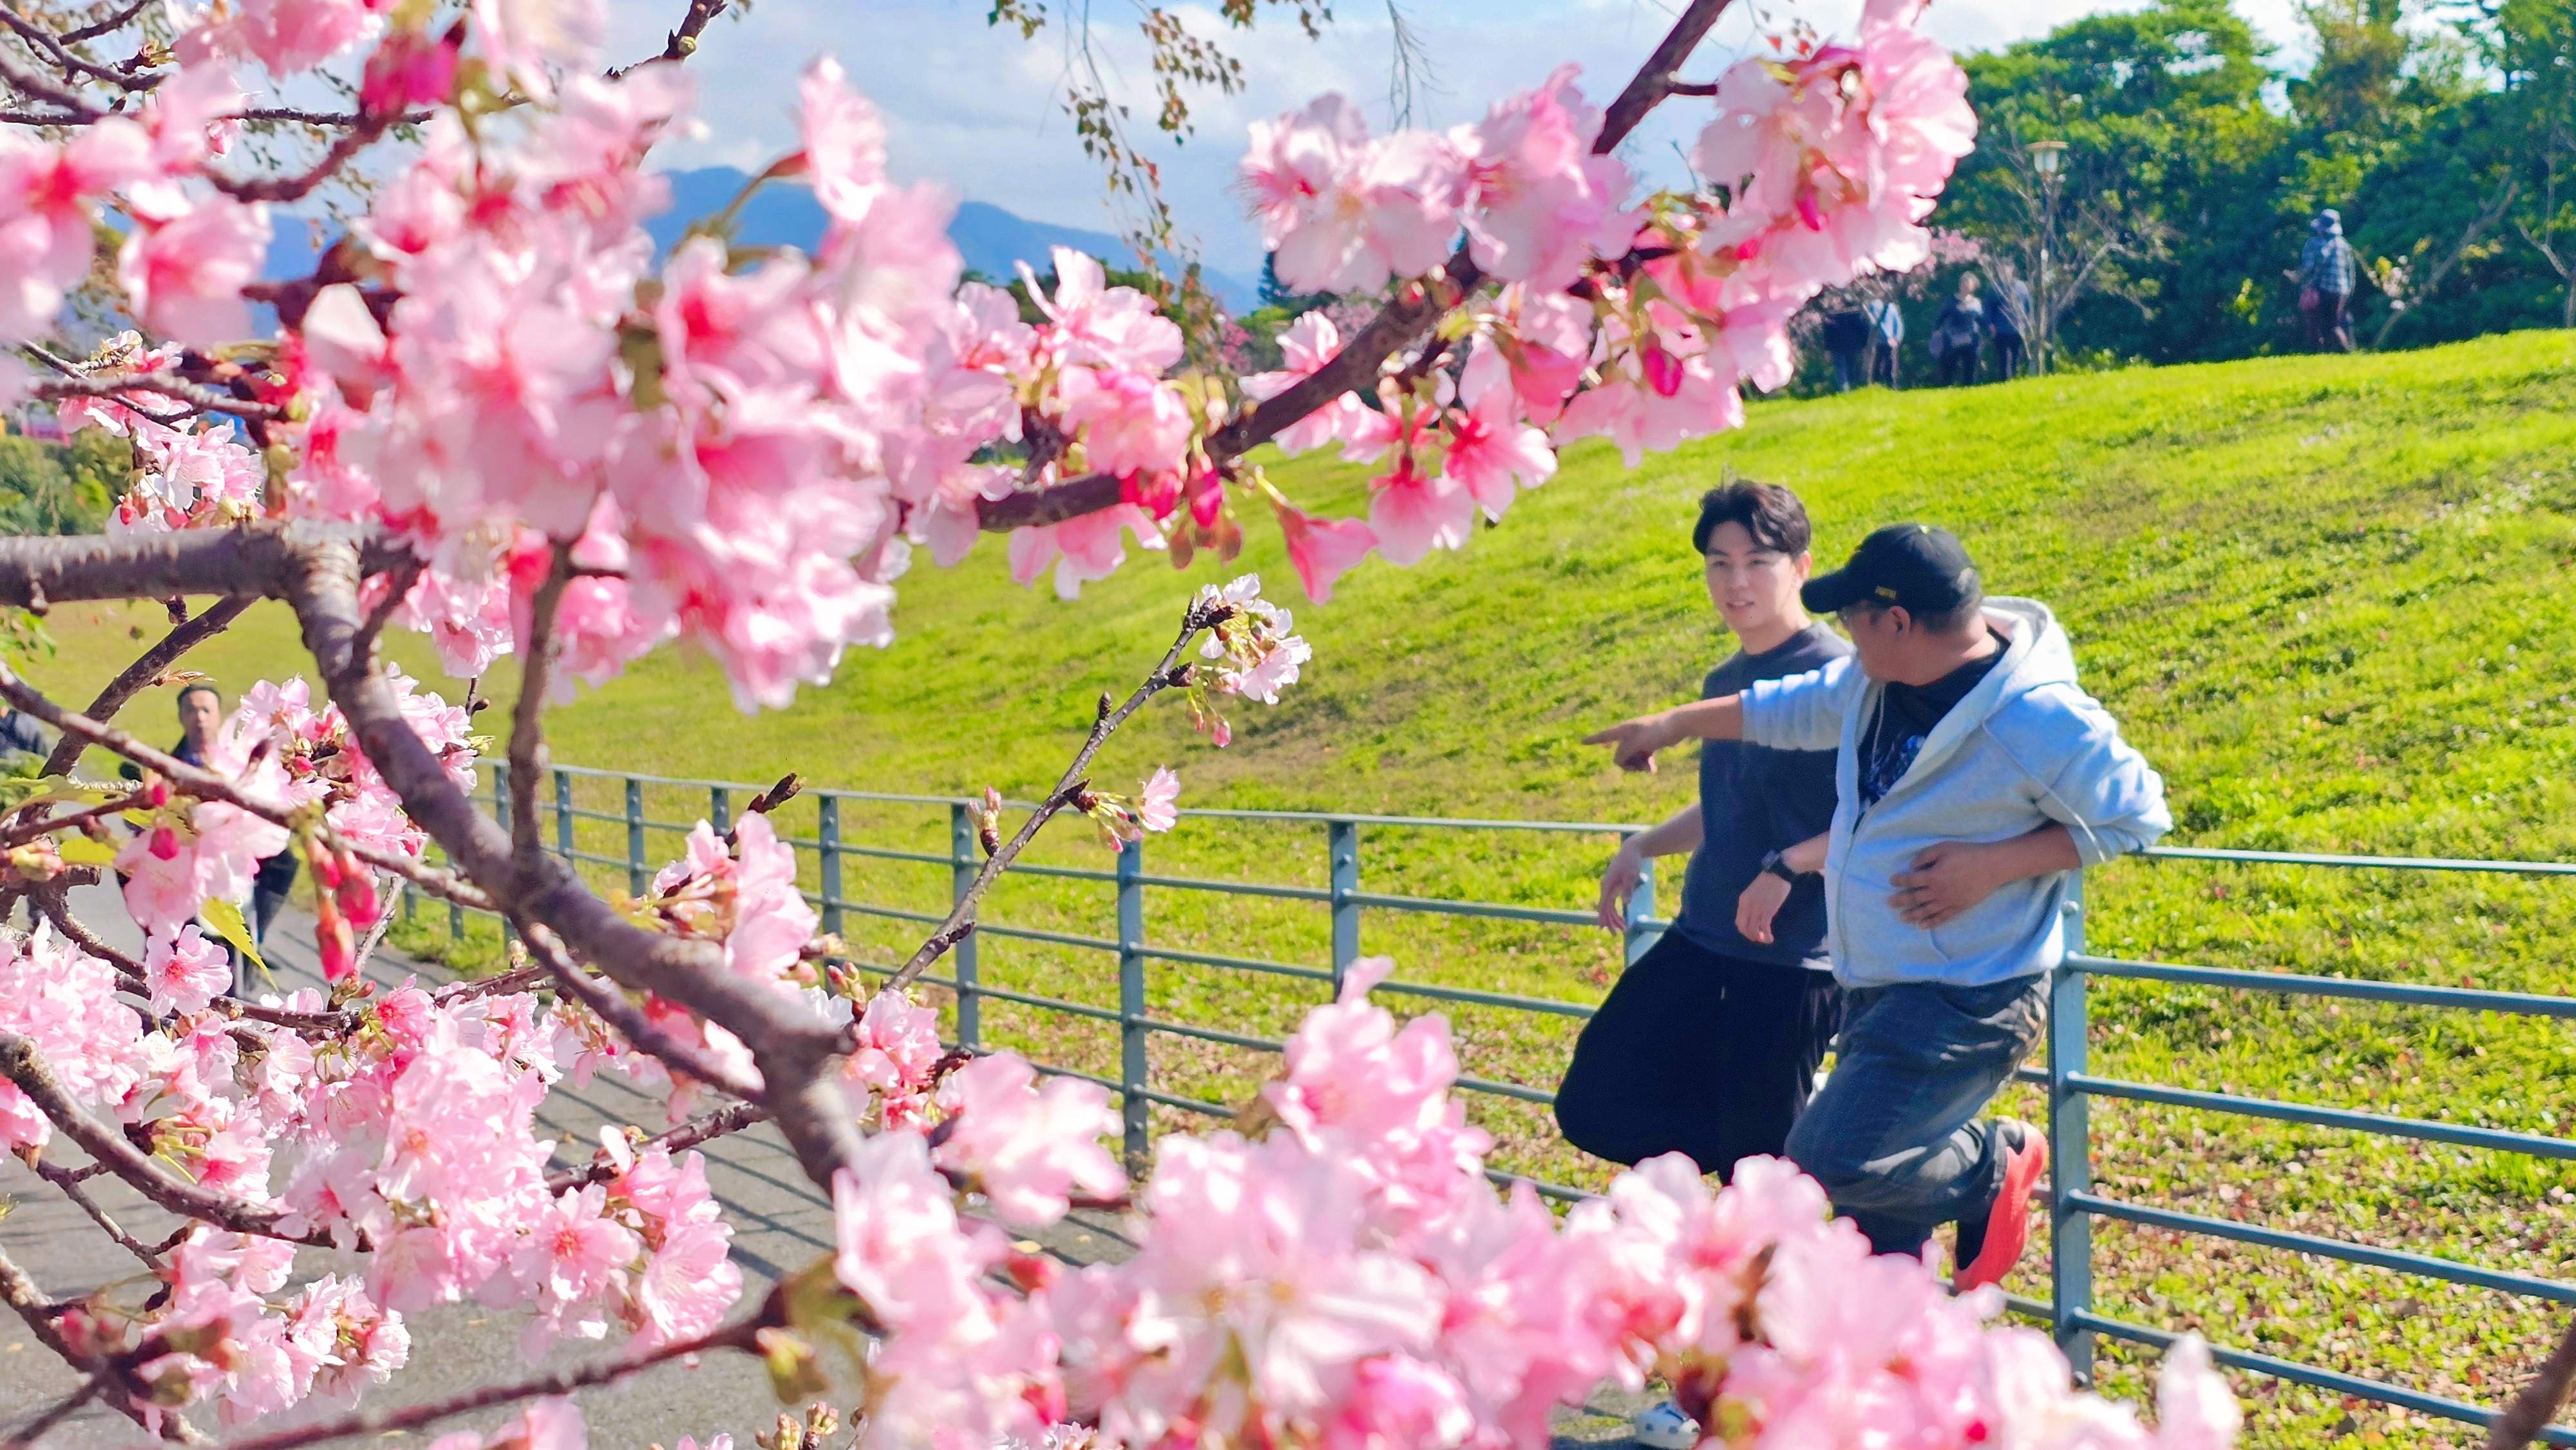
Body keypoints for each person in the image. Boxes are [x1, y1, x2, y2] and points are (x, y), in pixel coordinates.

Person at [1582, 523, 2169, 1292]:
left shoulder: (2040, 719)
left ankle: (1991, 1161)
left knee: (1829, 1161)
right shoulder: (1874, 680)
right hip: (1881, 977)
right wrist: (1674, 722)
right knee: (1875, 1216)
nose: (1843, 636)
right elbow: (1780, 711)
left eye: (1854, 618)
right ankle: (1905, 1374)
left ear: (1896, 622)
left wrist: (1995, 863)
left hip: (1970, 991)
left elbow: (2139, 814)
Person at [1555, 482, 1848, 1450]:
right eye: (1718, 565)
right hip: (1702, 943)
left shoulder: (1836, 677)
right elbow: (1727, 810)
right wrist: (1644, 841)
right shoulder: (1735, 678)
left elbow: (1871, 817)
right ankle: (1776, 1186)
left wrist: (1785, 869)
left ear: (1801, 568)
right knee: (1595, 1098)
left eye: (1757, 564)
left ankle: (1727, 1405)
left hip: (1791, 962)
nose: (1736, 584)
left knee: (1767, 1202)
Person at [172, 683, 298, 984]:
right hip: (193, 854)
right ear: (180, 717)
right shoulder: (170, 762)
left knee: (284, 863)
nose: (199, 717)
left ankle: (256, 938)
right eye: (191, 710)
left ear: (218, 715)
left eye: (206, 710)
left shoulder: (234, 752)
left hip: (240, 841)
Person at [2295, 208, 2359, 353]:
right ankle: (2341, 351)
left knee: (2319, 323)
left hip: (2322, 290)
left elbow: (2309, 267)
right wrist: (2349, 292)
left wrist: (2300, 280)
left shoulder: (2316, 244)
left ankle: (2336, 351)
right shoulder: (2344, 245)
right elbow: (2351, 271)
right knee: (2333, 323)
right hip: (2342, 291)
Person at [1930, 274, 1986, 386]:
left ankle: (1969, 389)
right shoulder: (1950, 300)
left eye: (1968, 284)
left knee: (1970, 365)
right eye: (1963, 283)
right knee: (1950, 365)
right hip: (1953, 338)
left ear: (1974, 287)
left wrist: (1987, 332)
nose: (1965, 286)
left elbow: (1981, 320)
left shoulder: (1976, 303)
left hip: (1972, 339)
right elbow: (1942, 317)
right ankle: (1947, 387)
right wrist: (1935, 330)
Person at [1987, 265, 2032, 380]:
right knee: (2004, 358)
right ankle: (2005, 381)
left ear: (2012, 270)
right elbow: (1988, 308)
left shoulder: (2022, 287)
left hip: (2018, 329)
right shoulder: (1995, 287)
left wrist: (2028, 325)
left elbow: (2028, 307)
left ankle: (2014, 379)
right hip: (2001, 329)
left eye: (2006, 269)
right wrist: (1990, 324)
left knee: (2016, 356)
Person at [1821, 306, 1873, 393]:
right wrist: (1864, 345)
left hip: (1839, 346)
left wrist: (1827, 349)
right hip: (1851, 346)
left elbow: (1827, 335)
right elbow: (1863, 330)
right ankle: (1849, 388)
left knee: (1842, 368)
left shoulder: (1832, 316)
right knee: (1849, 367)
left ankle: (1845, 389)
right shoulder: (1855, 315)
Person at [1863, 296, 1905, 388]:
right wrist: (1892, 338)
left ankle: (1888, 384)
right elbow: (1878, 324)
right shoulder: (1879, 306)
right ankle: (1881, 384)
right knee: (1882, 363)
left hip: (1888, 340)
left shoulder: (1890, 307)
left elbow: (1897, 323)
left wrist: (1895, 338)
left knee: (1885, 363)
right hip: (1884, 341)